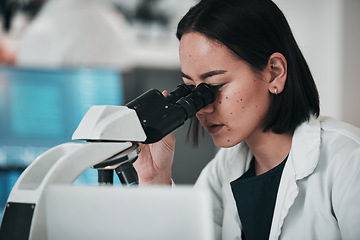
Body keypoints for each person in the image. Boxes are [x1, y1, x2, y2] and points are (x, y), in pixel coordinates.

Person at [133, 0, 360, 239]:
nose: (202, 108)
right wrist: (155, 178)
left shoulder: (348, 161)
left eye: (214, 85)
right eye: (191, 90)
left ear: (274, 72)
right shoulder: (224, 168)